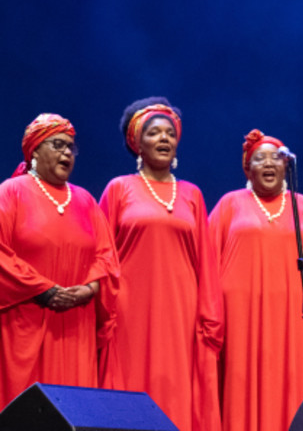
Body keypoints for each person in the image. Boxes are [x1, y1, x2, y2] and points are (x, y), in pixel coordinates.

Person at [99, 98, 222, 431]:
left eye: (170, 133)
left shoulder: (192, 194)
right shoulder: (118, 189)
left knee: (175, 394)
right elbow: (102, 256)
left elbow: (207, 264)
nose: (164, 139)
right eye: (154, 133)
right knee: (133, 393)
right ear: (137, 143)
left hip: (181, 314)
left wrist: (209, 317)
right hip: (130, 313)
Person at [209, 129, 303, 431]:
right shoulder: (229, 204)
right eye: (259, 158)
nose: (268, 163)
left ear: (286, 166)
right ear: (247, 168)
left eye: (275, 158)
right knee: (240, 385)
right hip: (241, 322)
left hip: (293, 323)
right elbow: (206, 263)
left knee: (292, 386)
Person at [0, 113, 119, 408]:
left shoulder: (86, 201)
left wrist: (89, 289)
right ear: (34, 151)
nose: (67, 152)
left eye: (71, 147)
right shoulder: (10, 193)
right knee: (27, 412)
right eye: (58, 145)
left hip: (75, 327)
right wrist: (44, 289)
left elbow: (106, 256)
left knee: (74, 409)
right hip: (25, 324)